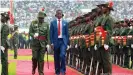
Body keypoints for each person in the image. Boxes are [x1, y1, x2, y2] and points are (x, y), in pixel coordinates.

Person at [50, 9, 69, 75]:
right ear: (56, 15)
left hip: (63, 41)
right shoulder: (52, 23)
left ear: (62, 15)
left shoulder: (65, 23)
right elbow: (51, 34)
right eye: (58, 13)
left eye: (60, 13)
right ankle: (57, 71)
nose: (59, 15)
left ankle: (63, 70)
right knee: (56, 57)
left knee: (62, 55)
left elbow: (67, 34)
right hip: (56, 41)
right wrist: (51, 43)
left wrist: (67, 43)